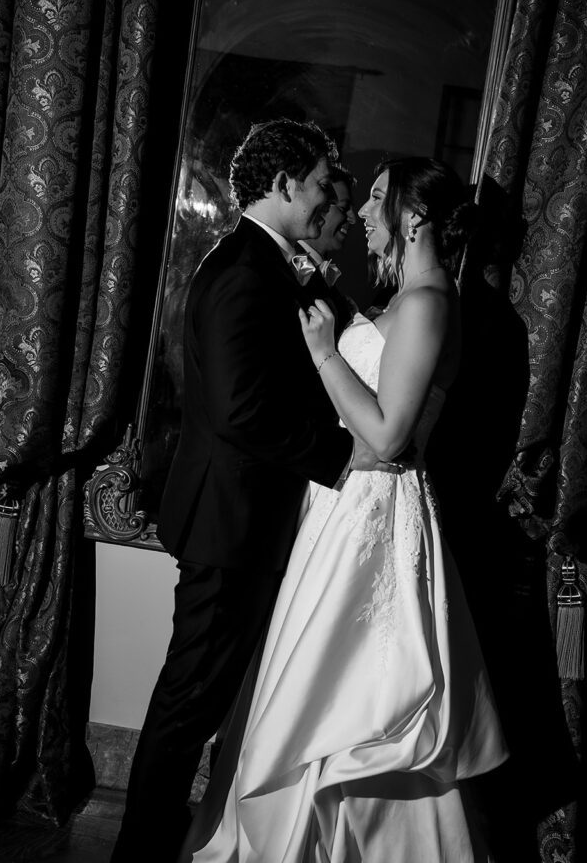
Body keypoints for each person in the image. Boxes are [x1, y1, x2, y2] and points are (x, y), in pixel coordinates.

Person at [179, 157, 509, 863]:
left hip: (376, 511)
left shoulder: (428, 302)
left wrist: (327, 352)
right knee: (303, 679)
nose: (360, 212)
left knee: (346, 693)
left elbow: (388, 435)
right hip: (338, 507)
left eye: (379, 200)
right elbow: (378, 369)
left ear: (414, 217)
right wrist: (333, 306)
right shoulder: (404, 300)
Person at [111, 119, 384, 863]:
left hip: (243, 518)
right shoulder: (242, 271)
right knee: (189, 697)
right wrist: (345, 453)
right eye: (325, 180)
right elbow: (240, 411)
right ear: (287, 184)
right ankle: (139, 848)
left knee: (206, 691)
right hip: (228, 522)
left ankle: (161, 833)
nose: (337, 193)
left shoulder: (265, 264)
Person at [295, 163, 359, 336]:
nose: (352, 219)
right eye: (344, 208)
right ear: (321, 207)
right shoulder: (297, 263)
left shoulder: (315, 267)